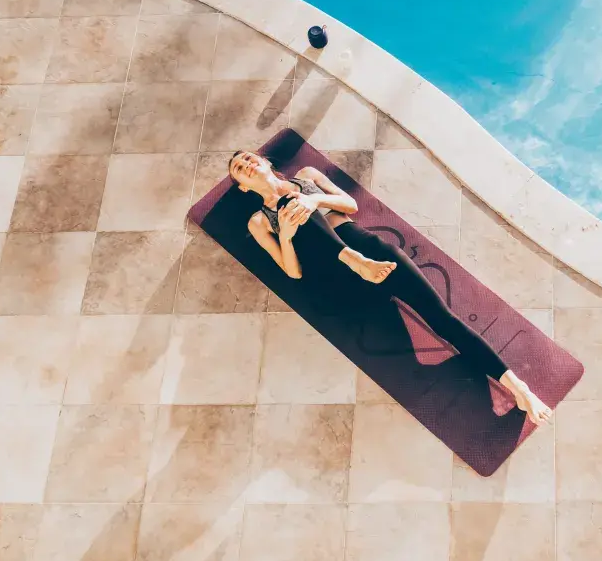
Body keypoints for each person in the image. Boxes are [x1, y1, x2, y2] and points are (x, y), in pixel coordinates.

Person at [228, 150, 552, 425]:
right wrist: (285, 234)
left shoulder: (307, 176)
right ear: (243, 187)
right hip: (342, 278)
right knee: (410, 363)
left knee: (443, 320)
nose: (245, 163)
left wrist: (313, 202)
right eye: (238, 168)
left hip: (372, 253)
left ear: (265, 162)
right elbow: (292, 271)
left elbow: (349, 206)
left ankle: (520, 389)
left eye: (248, 158)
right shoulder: (258, 221)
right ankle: (352, 260)